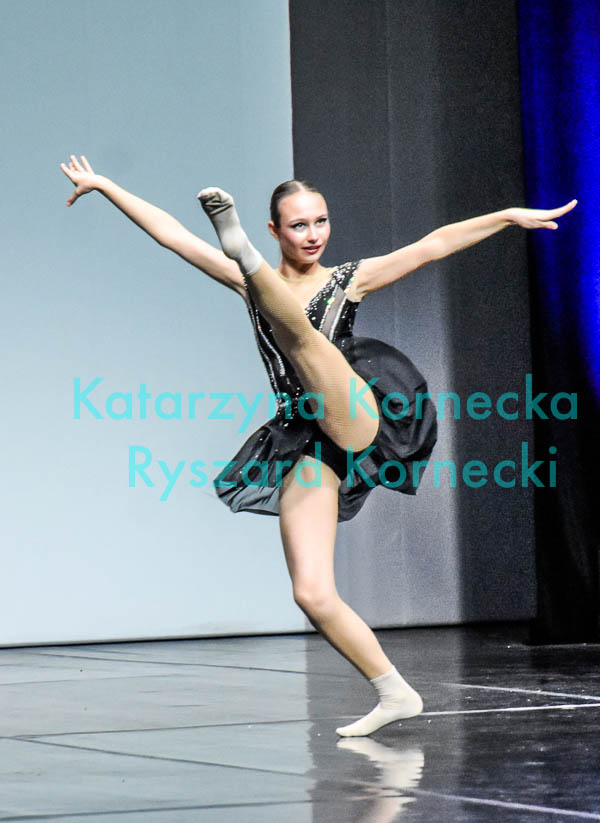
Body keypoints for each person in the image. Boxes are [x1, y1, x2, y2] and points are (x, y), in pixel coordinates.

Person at [60, 155, 577, 736]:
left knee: (303, 335)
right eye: (299, 225)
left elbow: (432, 245)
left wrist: (505, 216)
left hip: (355, 410)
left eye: (321, 222)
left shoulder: (348, 278)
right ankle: (394, 692)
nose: (313, 235)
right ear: (275, 230)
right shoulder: (249, 284)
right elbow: (171, 234)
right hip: (305, 437)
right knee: (311, 592)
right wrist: (105, 185)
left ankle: (242, 253)